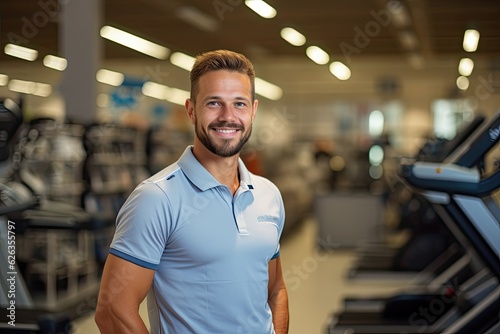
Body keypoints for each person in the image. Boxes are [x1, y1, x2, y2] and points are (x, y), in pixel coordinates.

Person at [94, 49, 289, 334]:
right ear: (191, 110)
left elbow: (276, 290)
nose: (228, 117)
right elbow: (112, 310)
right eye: (214, 103)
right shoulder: (156, 198)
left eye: (239, 104)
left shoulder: (268, 195)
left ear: (253, 111)